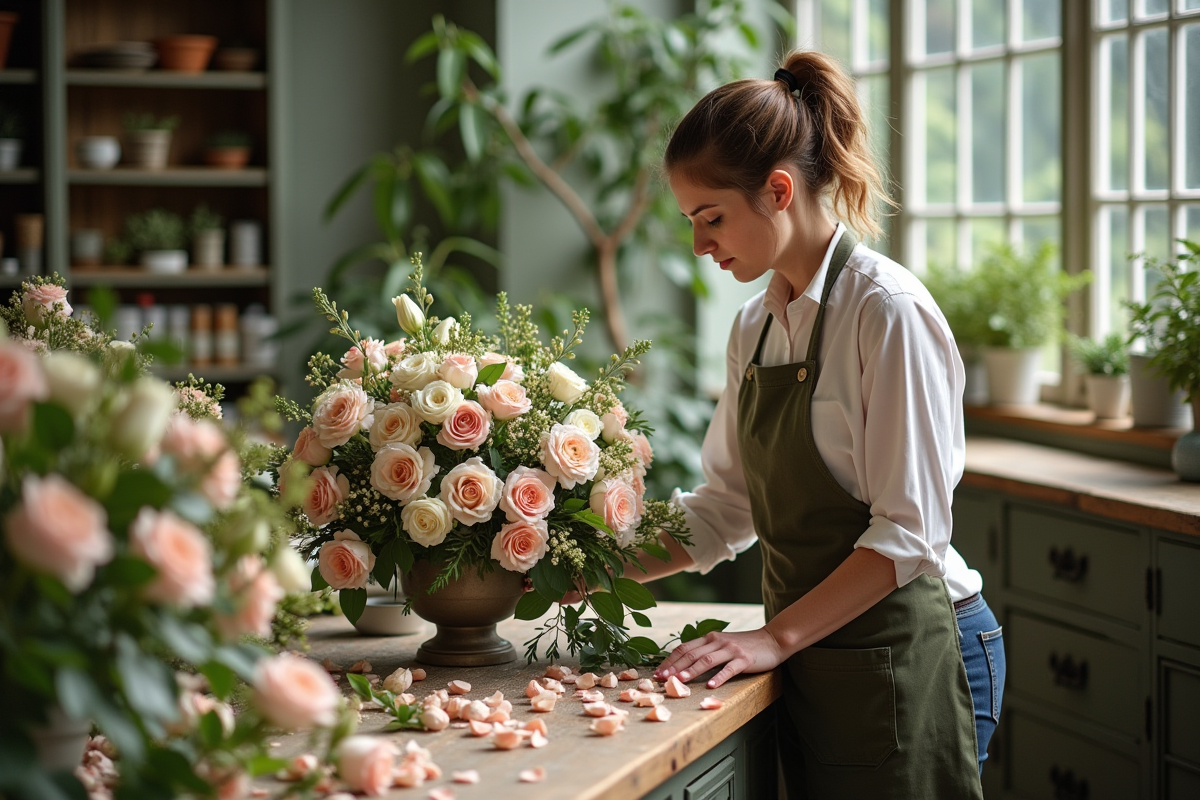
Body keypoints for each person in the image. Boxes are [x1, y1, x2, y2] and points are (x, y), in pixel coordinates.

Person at [629, 50, 1005, 798]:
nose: (699, 246)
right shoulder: (754, 327)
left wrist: (774, 636)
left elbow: (910, 532)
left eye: (712, 218)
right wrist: (587, 567)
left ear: (778, 190)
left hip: (913, 650)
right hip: (815, 652)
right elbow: (726, 508)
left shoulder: (886, 312)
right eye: (691, 222)